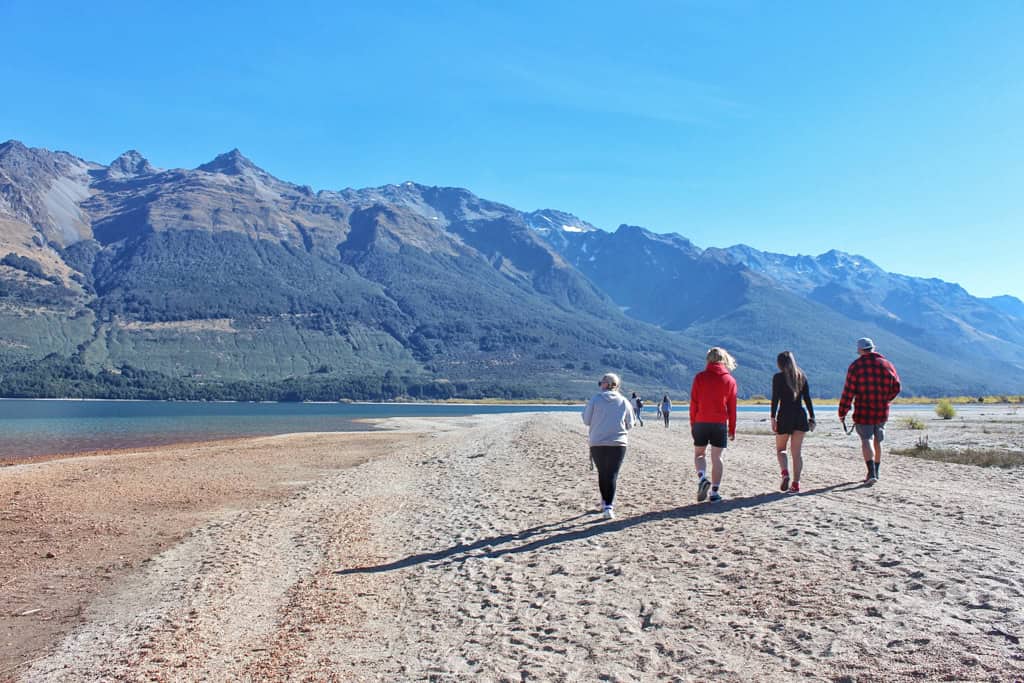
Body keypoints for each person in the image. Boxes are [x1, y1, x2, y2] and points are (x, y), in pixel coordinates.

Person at [838, 337, 901, 484]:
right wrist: (886, 399)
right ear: (873, 348)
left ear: (860, 350)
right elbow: (897, 386)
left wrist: (842, 411)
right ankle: (876, 472)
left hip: (863, 409)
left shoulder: (856, 367)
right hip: (882, 409)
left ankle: (871, 472)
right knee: (878, 440)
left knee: (867, 439)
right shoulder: (887, 364)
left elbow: (848, 392)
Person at [583, 373, 637, 519]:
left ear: (606, 384)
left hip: (597, 442)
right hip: (618, 442)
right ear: (617, 386)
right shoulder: (624, 401)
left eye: (600, 383)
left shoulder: (595, 400)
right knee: (612, 474)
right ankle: (608, 506)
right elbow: (630, 424)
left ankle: (604, 502)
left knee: (602, 472)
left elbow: (586, 420)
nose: (600, 385)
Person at [689, 347, 738, 502]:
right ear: (724, 360)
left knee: (699, 454)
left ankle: (702, 477)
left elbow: (693, 404)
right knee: (717, 458)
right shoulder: (729, 380)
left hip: (701, 421)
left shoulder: (700, 378)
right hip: (719, 423)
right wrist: (732, 429)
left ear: (708, 360)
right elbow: (732, 408)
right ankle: (715, 492)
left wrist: (693, 424)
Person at [770, 351, 815, 494]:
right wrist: (812, 417)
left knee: (781, 449)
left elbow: (775, 399)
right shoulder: (801, 376)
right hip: (800, 416)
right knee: (797, 453)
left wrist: (772, 417)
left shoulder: (778, 378)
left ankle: (785, 473)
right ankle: (796, 484)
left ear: (779, 363)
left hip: (784, 415)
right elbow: (807, 399)